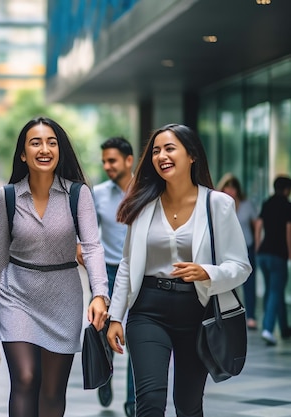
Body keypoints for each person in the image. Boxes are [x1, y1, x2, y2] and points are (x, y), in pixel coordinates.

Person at [106, 123, 251, 416]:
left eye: (170, 148)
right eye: (156, 151)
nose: (161, 156)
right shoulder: (143, 204)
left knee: (188, 404)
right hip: (147, 309)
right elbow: (126, 264)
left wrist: (207, 272)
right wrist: (115, 317)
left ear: (192, 155)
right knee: (149, 401)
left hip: (196, 311)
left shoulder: (218, 204)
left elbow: (240, 266)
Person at [0, 116, 109, 417]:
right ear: (22, 154)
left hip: (64, 297)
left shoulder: (78, 193)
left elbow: (93, 246)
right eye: (36, 143)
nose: (45, 149)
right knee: (26, 378)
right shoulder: (6, 197)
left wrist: (100, 294)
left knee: (53, 390)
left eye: (51, 142)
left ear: (60, 150)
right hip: (17, 295)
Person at [92, 137, 136, 416]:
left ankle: (133, 402)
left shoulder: (146, 192)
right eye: (105, 161)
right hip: (107, 272)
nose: (107, 166)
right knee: (103, 331)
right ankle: (104, 375)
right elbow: (84, 229)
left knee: (136, 336)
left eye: (113, 161)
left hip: (137, 274)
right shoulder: (97, 193)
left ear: (128, 161)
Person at [216, 173, 259, 330]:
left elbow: (256, 224)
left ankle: (251, 316)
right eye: (227, 187)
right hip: (225, 249)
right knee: (228, 283)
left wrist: (257, 243)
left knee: (250, 284)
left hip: (247, 247)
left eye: (233, 188)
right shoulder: (218, 204)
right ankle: (230, 315)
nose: (230, 191)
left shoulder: (247, 205)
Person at [254, 175, 291, 346]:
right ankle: (268, 329)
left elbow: (259, 225)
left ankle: (284, 328)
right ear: (286, 190)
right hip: (278, 254)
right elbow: (288, 231)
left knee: (273, 290)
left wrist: (257, 246)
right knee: (276, 291)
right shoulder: (287, 206)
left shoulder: (267, 203)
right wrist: (289, 252)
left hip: (263, 254)